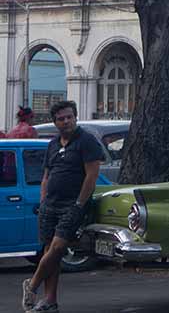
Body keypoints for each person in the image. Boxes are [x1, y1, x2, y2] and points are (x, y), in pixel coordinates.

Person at [22, 101, 103, 313]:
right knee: (50, 252)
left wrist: (79, 204)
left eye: (69, 117)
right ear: (55, 122)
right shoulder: (53, 144)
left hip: (72, 205)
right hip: (50, 204)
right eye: (61, 118)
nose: (66, 121)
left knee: (58, 247)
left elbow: (91, 177)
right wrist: (43, 199)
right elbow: (46, 176)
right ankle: (50, 301)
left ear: (75, 117)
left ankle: (31, 286)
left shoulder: (87, 141)